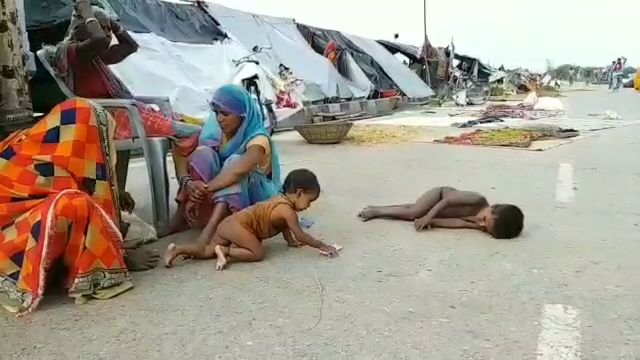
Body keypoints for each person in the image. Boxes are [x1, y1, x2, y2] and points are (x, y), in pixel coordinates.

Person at [0, 99, 160, 316]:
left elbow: (85, 180)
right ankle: (93, 268)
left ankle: (64, 263)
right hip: (7, 246)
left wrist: (114, 194)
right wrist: (119, 255)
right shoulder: (42, 167)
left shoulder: (35, 144)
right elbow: (86, 196)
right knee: (75, 206)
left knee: (79, 204)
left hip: (14, 229)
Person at [44, 1, 200, 155]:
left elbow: (130, 46)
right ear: (79, 30)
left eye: (108, 29)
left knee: (191, 128)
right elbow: (98, 39)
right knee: (193, 132)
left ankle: (186, 178)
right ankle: (189, 178)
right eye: (101, 27)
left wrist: (110, 21)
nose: (106, 33)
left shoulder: (96, 57)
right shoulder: (75, 53)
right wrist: (87, 13)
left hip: (121, 115)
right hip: (105, 119)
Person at [167, 84, 281, 245]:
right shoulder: (216, 134)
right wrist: (189, 183)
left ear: (243, 115)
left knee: (233, 163)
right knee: (203, 154)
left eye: (226, 114)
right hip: (222, 192)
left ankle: (218, 229)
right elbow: (179, 152)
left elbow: (238, 170)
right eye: (217, 113)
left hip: (254, 198)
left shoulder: (259, 139)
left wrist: (204, 189)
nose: (219, 119)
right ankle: (188, 216)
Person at [164, 169, 338, 270]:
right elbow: (300, 234)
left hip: (231, 224)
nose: (308, 206)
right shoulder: (288, 211)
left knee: (207, 251)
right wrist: (321, 245)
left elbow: (285, 228)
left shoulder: (280, 201)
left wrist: (290, 242)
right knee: (257, 252)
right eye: (309, 201)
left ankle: (177, 250)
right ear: (299, 193)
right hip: (239, 226)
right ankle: (225, 251)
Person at [358, 187, 524, 239]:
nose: (480, 224)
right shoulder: (477, 200)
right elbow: (447, 201)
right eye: (484, 220)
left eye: (485, 229)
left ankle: (377, 207)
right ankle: (376, 212)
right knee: (415, 211)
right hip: (439, 195)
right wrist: (428, 216)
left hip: (441, 212)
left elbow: (457, 223)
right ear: (492, 207)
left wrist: (434, 221)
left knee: (413, 210)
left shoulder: (479, 223)